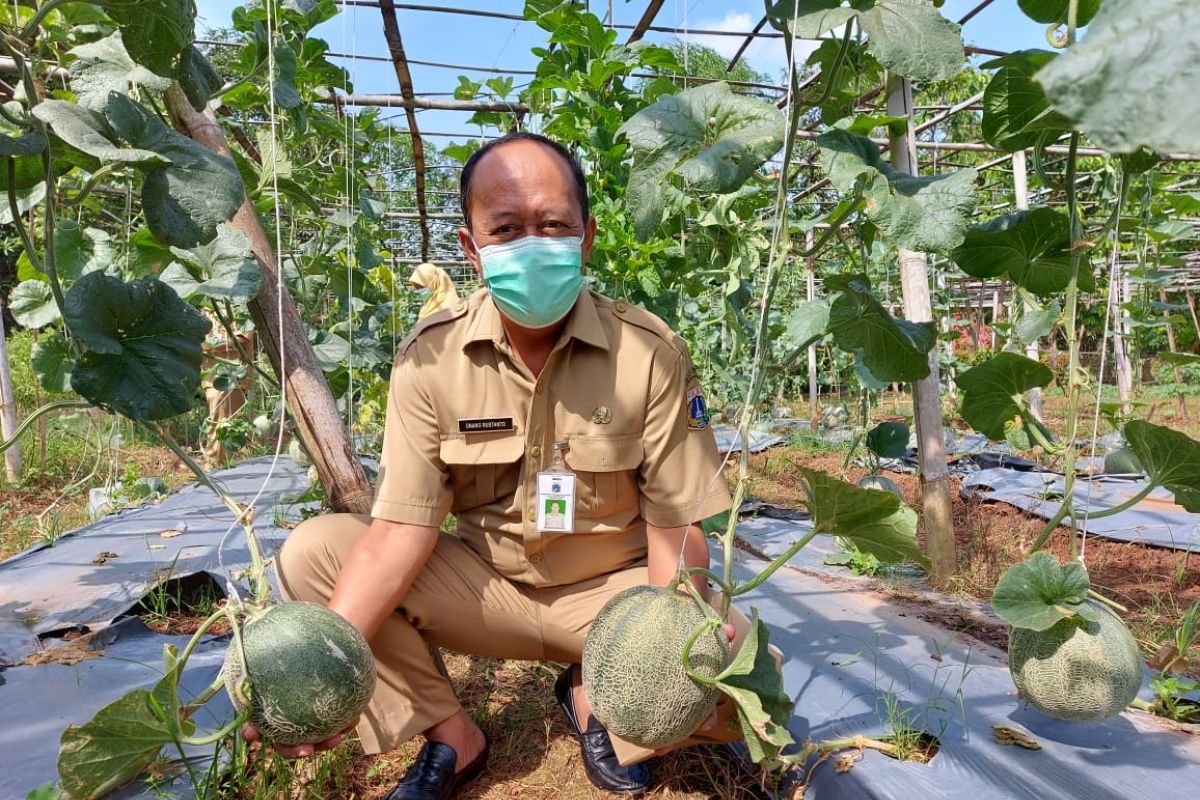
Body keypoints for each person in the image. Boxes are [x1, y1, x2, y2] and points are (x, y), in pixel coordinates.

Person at [252, 132, 734, 799]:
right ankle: (455, 737)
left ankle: (596, 694)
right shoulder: (429, 359)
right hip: (485, 591)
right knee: (315, 553)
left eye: (553, 224)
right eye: (506, 229)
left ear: (586, 237)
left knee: (732, 663)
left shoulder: (650, 352)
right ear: (471, 247)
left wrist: (669, 651)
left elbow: (676, 531)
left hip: (612, 599)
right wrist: (325, 672)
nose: (531, 244)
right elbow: (401, 530)